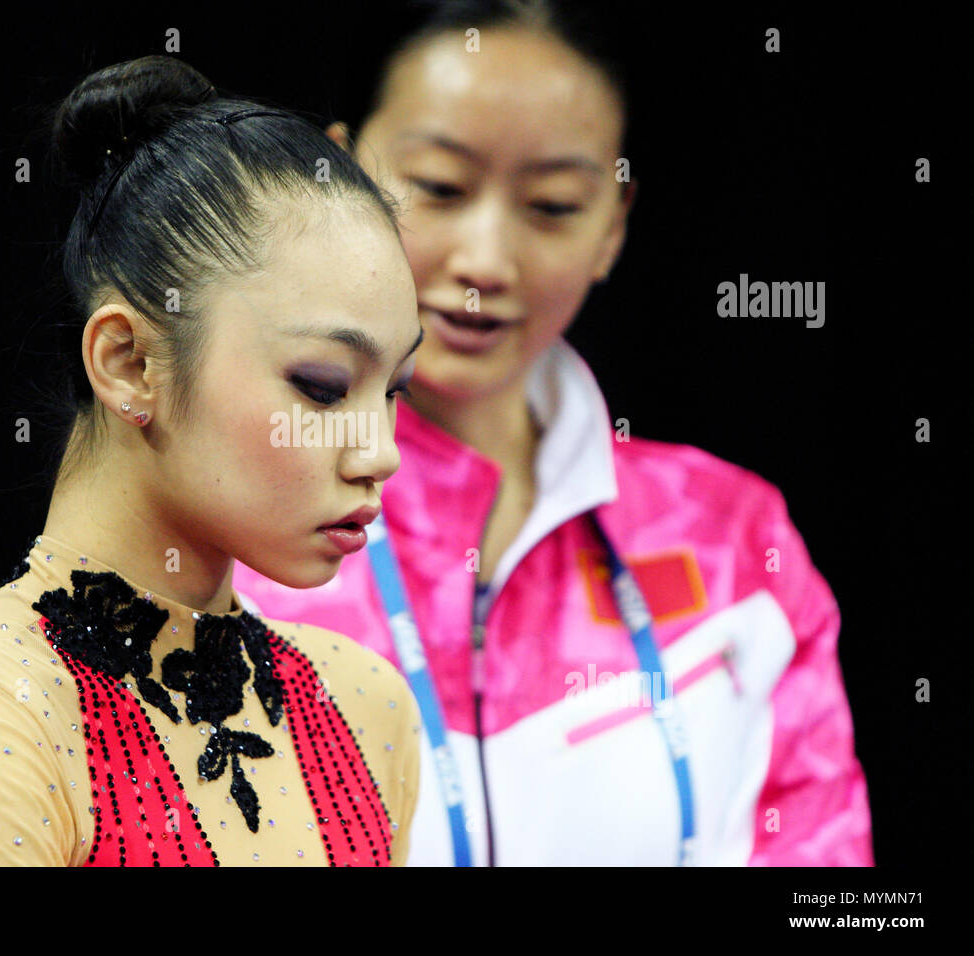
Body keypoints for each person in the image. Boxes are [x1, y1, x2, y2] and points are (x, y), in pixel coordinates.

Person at [233, 0, 873, 865]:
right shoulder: (225, 530)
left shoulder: (733, 540)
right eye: (440, 187)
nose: (488, 262)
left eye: (554, 205)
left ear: (615, 222)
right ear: (335, 177)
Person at [0, 54, 425, 866]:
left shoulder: (367, 707)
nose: (383, 454)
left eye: (395, 389)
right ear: (129, 363)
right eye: (323, 387)